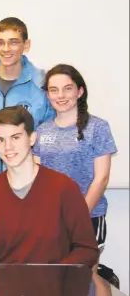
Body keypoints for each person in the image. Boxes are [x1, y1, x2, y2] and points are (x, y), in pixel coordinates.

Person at [0, 106, 99, 267]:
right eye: (0, 140)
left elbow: (87, 249)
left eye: (15, 137)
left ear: (32, 138)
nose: (7, 147)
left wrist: (57, 276)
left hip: (51, 289)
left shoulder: (64, 188)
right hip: (2, 289)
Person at [33, 64, 117, 258]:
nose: (60, 95)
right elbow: (37, 179)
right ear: (48, 95)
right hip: (50, 221)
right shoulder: (42, 130)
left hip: (88, 219)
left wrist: (77, 218)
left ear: (79, 91)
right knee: (53, 283)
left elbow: (101, 178)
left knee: (85, 282)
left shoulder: (98, 127)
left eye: (67, 88)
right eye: (54, 90)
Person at [0, 16, 55, 193]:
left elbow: (50, 139)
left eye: (13, 42)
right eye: (0, 43)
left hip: (30, 188)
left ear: (26, 45)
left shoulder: (43, 86)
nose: (6, 49)